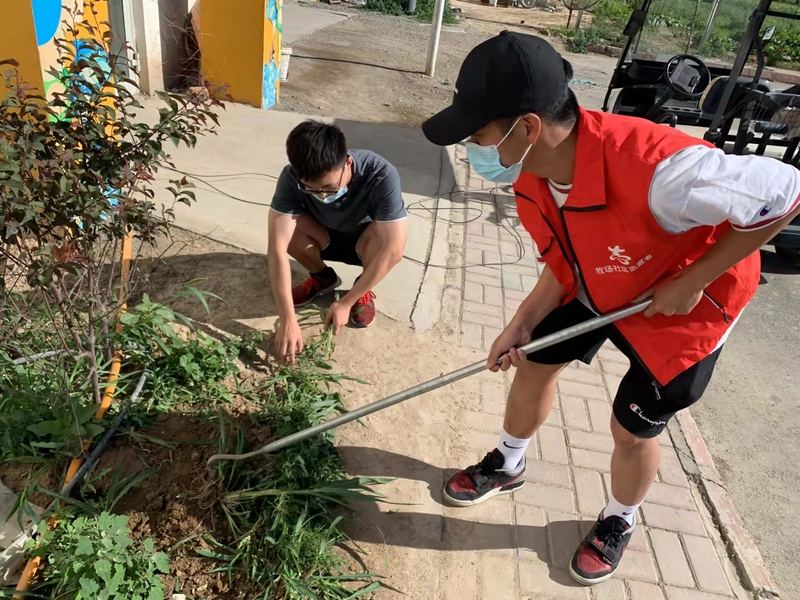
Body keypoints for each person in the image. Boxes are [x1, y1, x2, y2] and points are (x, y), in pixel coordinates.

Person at [422, 31, 800, 586]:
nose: (472, 150)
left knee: (630, 428)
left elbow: (786, 191)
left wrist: (695, 278)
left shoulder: (664, 172)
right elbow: (566, 258)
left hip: (684, 307)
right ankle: (509, 462)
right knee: (533, 360)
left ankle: (620, 518)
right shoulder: (534, 174)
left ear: (527, 128)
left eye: (478, 136)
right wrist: (522, 322)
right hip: (606, 282)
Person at [268, 120, 408, 363]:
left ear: (348, 163)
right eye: (312, 189)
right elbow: (276, 249)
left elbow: (394, 251)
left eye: (330, 187)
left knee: (387, 238)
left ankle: (362, 289)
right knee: (285, 229)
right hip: (324, 236)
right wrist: (287, 318)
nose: (322, 196)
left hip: (366, 244)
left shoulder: (381, 174)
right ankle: (322, 278)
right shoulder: (291, 178)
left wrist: (346, 302)